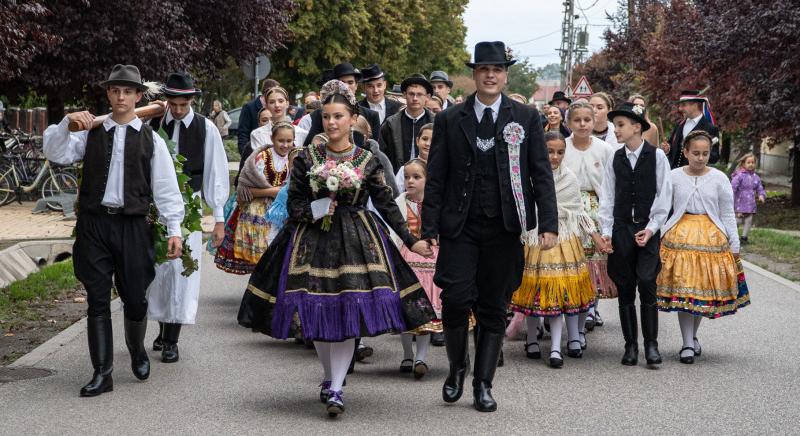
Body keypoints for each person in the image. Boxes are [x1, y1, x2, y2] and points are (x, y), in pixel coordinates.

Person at [236, 80, 435, 417]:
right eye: (326, 117)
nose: (331, 123)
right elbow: (293, 203)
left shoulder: (367, 159)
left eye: (338, 116)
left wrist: (412, 239)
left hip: (357, 239)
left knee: (346, 312)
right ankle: (330, 377)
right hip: (311, 239)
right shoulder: (306, 157)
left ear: (352, 118)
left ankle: (337, 386)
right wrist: (315, 209)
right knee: (317, 311)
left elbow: (386, 205)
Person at [423, 41, 558, 413]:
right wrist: (428, 228)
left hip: (504, 226)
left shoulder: (527, 117)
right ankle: (456, 369)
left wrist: (548, 222)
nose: (490, 75)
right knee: (454, 300)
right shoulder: (450, 119)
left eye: (497, 69)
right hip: (459, 226)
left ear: (505, 74)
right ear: (474, 74)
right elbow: (436, 176)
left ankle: (484, 383)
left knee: (494, 306)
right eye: (484, 68)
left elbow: (540, 173)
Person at [42, 65, 184, 396]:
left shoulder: (152, 140)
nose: (121, 97)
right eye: (115, 91)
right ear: (108, 93)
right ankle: (102, 373)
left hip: (133, 226)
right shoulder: (91, 132)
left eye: (127, 91)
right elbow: (55, 151)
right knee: (96, 298)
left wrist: (174, 228)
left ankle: (136, 350)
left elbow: (166, 189)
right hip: (94, 225)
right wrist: (65, 123)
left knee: (135, 299)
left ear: (138, 96)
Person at [146, 72, 230, 364]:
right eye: (173, 104)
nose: (178, 110)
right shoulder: (153, 125)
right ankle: (162, 326)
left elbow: (216, 173)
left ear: (192, 100)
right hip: (157, 206)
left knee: (183, 271)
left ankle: (172, 339)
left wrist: (218, 218)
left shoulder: (206, 128)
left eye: (184, 104)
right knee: (159, 272)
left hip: (189, 205)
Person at [510, 131, 603, 368]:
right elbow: (522, 209)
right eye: (550, 151)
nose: (555, 156)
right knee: (534, 290)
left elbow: (579, 212)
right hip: (535, 237)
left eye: (560, 152)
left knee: (562, 291)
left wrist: (596, 236)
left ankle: (562, 344)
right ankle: (532, 339)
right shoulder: (529, 177)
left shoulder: (569, 178)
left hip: (564, 238)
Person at [656, 131, 749, 364]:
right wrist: (655, 233)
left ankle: (692, 336)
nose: (700, 158)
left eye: (705, 154)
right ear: (685, 152)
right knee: (684, 291)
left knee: (700, 294)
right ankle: (687, 342)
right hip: (679, 237)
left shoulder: (719, 178)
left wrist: (734, 242)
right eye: (695, 153)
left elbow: (727, 212)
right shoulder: (674, 175)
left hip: (711, 240)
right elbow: (662, 206)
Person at [598, 102, 672, 368]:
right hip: (621, 229)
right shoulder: (614, 157)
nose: (615, 129)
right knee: (626, 286)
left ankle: (651, 344)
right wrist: (607, 231)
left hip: (647, 227)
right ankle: (631, 345)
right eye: (614, 125)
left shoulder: (656, 156)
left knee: (647, 281)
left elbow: (664, 195)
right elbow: (607, 196)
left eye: (620, 125)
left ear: (637, 127)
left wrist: (652, 228)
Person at [562, 102, 616, 335]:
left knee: (594, 263)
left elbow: (612, 183)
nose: (583, 124)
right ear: (568, 123)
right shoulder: (562, 147)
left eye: (587, 120)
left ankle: (592, 306)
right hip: (569, 209)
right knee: (573, 261)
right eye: (577, 120)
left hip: (597, 208)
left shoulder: (605, 149)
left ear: (595, 122)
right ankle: (569, 305)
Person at [215, 122, 296, 274]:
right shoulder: (261, 158)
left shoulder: (295, 159)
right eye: (281, 141)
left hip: (283, 214)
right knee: (263, 256)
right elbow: (245, 189)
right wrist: (272, 192)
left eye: (289, 141)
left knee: (281, 255)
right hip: (260, 212)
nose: (285, 145)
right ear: (272, 139)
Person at [391, 159, 441, 379]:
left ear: (427, 180)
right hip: (406, 260)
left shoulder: (435, 203)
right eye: (407, 177)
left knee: (425, 312)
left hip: (431, 261)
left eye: (416, 177)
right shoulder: (399, 203)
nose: (410, 181)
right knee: (406, 310)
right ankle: (407, 354)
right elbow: (393, 232)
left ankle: (421, 356)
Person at [302, 63, 381, 148]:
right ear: (335, 85)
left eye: (350, 82)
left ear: (356, 85)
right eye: (342, 82)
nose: (346, 86)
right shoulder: (319, 114)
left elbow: (375, 150)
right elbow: (308, 148)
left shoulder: (372, 116)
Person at [379, 73, 435, 171]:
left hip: (429, 178)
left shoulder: (438, 124)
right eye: (411, 94)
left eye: (419, 94)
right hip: (396, 179)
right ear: (405, 95)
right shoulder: (390, 124)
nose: (415, 98)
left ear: (428, 97)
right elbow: (382, 156)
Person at [664, 90, 720, 168]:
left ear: (695, 105)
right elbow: (672, 148)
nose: (680, 109)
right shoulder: (679, 125)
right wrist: (667, 149)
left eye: (683, 105)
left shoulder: (710, 128)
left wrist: (701, 154)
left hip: (695, 176)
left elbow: (715, 157)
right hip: (674, 174)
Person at [237, 78, 280, 157]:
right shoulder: (249, 107)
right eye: (276, 92)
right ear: (267, 92)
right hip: (254, 153)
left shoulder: (277, 107)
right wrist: (246, 155)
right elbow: (243, 133)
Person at [731, 153, 766, 243]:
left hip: (750, 203)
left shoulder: (756, 177)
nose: (751, 164)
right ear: (743, 164)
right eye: (748, 162)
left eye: (753, 162)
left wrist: (761, 195)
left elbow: (759, 188)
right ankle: (731, 236)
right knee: (738, 221)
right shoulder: (739, 176)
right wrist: (731, 195)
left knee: (749, 220)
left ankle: (744, 237)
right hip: (739, 202)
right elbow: (733, 187)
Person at [394, 123, 433, 194]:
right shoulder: (405, 169)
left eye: (433, 141)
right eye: (424, 139)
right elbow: (395, 194)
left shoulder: (442, 171)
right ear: (417, 141)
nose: (428, 144)